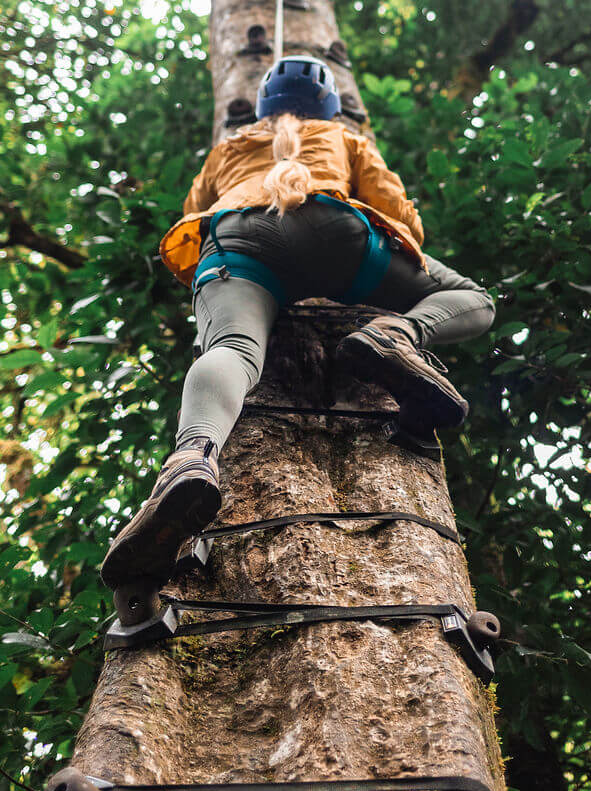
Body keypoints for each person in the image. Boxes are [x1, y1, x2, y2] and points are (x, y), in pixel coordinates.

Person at [100, 57, 494, 587]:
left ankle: (191, 459)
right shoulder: (344, 137)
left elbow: (195, 209)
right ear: (330, 106)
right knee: (472, 297)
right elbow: (400, 216)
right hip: (336, 232)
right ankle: (397, 334)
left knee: (234, 349)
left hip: (239, 237)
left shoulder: (226, 151)